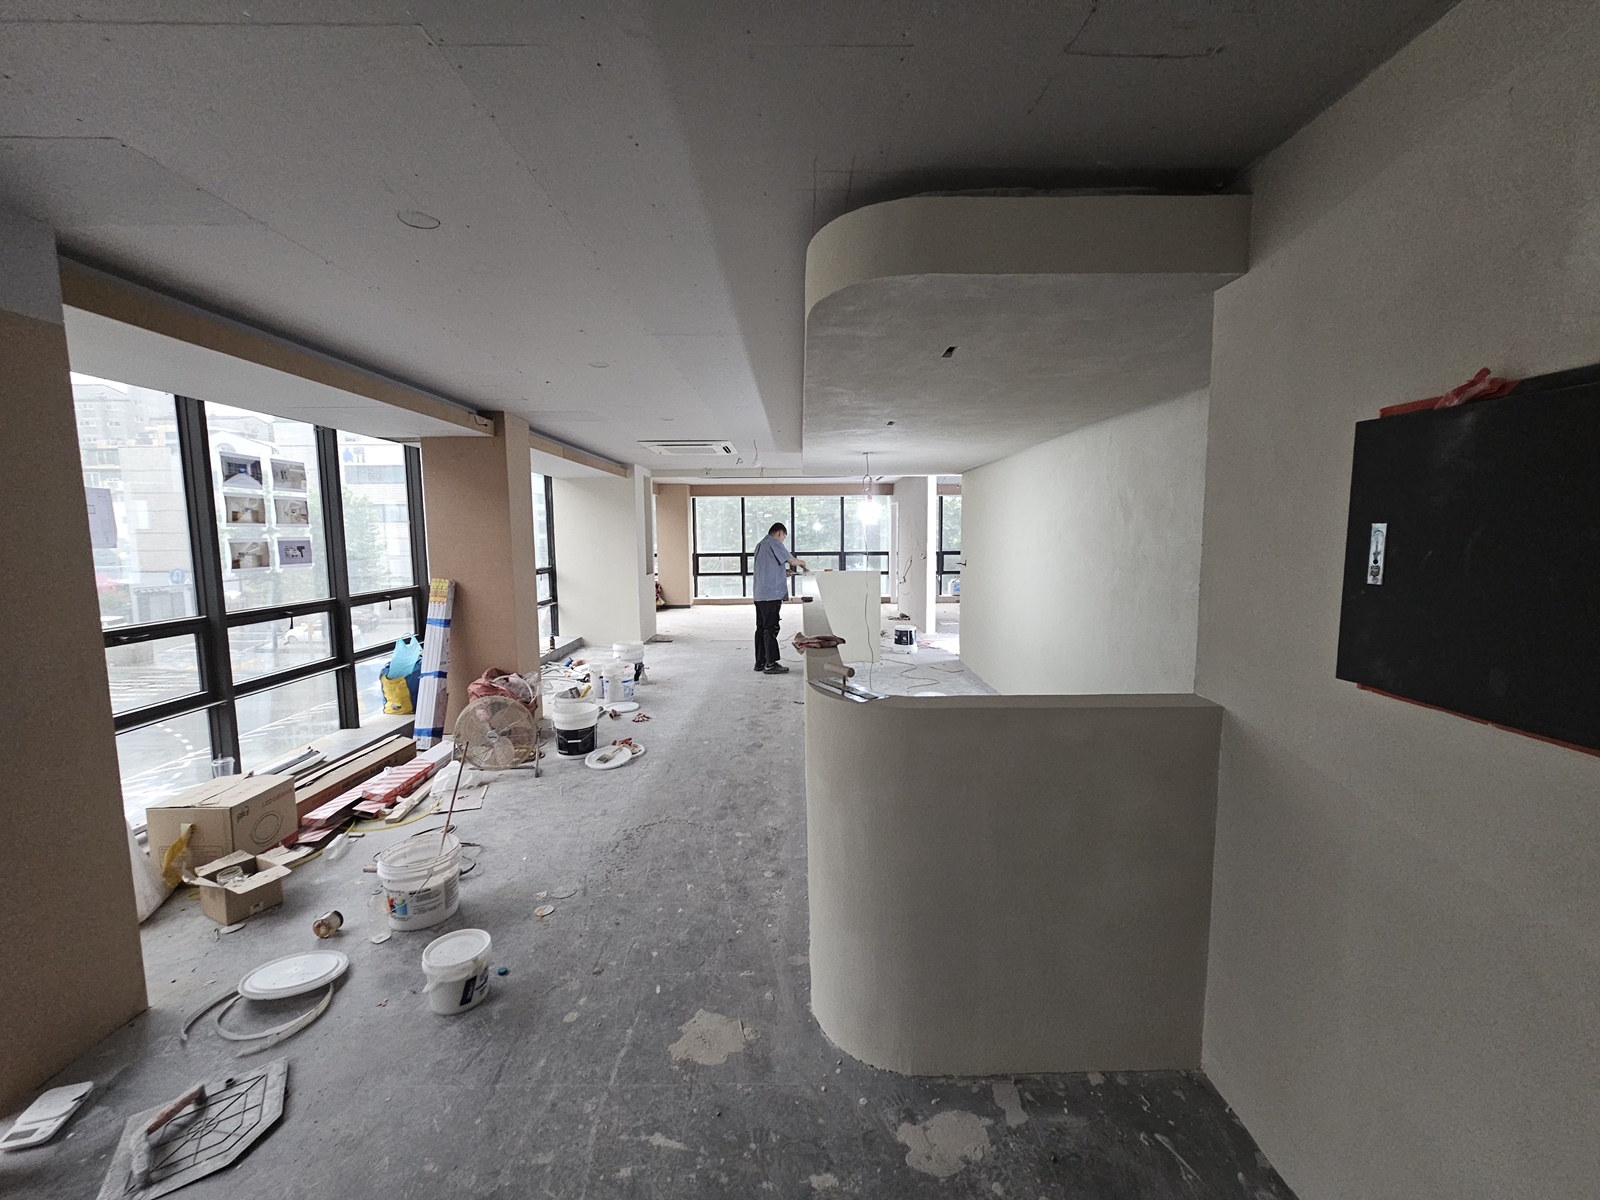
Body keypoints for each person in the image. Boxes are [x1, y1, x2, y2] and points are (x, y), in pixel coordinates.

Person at [752, 521, 806, 674]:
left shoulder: (760, 545)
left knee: (761, 628)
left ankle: (760, 662)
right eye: (784, 537)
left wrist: (784, 572)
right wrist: (803, 563)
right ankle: (771, 664)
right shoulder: (774, 543)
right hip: (771, 595)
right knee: (771, 628)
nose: (783, 540)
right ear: (779, 533)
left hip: (760, 594)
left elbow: (768, 569)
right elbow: (792, 560)